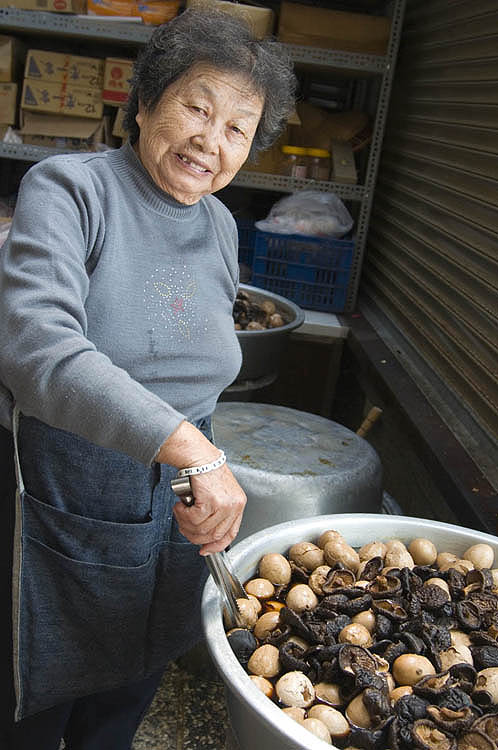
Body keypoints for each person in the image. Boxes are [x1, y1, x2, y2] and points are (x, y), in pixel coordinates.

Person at [0, 9, 296, 748]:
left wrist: (199, 470)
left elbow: (193, 365)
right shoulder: (71, 189)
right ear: (143, 104)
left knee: (124, 702)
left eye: (238, 128)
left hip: (172, 524)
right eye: (196, 107)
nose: (210, 139)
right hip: (63, 504)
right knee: (37, 712)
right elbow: (37, 348)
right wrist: (190, 446)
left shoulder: (219, 226)